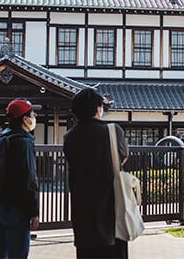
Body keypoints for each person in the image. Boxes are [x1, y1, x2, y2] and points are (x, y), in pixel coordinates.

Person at [64, 88, 129, 259]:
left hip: (83, 206)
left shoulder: (70, 136)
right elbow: (122, 158)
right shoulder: (113, 130)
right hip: (112, 205)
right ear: (98, 108)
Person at [0, 99, 40, 259]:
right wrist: (34, 211)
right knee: (17, 254)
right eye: (32, 114)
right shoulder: (23, 142)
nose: (34, 117)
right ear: (25, 119)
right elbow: (29, 179)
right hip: (17, 209)